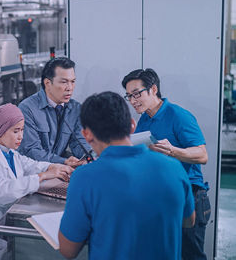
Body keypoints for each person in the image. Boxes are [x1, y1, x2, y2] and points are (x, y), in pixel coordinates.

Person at [58, 91, 195, 260]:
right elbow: (189, 220)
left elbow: (67, 250)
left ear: (87, 135)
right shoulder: (174, 167)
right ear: (132, 125)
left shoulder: (85, 177)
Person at [0, 103, 73, 260]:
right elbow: (1, 193)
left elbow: (30, 164)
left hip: (4, 228)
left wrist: (53, 166)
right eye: (16, 131)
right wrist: (42, 176)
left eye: (22, 130)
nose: (21, 136)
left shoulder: (10, 153)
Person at [122, 68, 211, 260]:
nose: (132, 100)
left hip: (190, 196)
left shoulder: (178, 115)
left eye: (137, 94)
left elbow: (202, 155)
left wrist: (173, 151)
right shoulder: (144, 120)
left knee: (190, 255)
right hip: (162, 197)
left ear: (153, 89)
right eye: (129, 96)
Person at [18, 57, 92, 167]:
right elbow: (31, 151)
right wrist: (63, 161)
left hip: (59, 169)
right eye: (64, 82)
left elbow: (79, 142)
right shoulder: (27, 109)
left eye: (73, 82)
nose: (70, 88)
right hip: (33, 171)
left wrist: (88, 157)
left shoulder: (75, 108)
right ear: (48, 83)